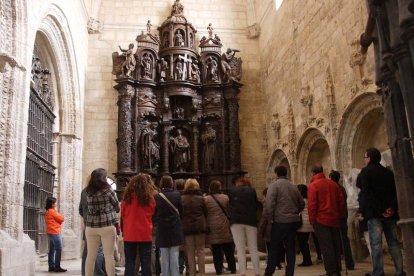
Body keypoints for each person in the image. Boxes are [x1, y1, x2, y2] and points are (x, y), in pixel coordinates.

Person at [356, 148, 405, 276]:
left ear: (370, 158)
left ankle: (378, 272)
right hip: (391, 213)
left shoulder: (366, 172)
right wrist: (391, 208)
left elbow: (366, 192)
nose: (364, 159)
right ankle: (399, 271)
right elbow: (395, 192)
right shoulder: (388, 172)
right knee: (393, 243)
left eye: (365, 157)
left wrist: (380, 210)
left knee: (376, 244)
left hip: (375, 214)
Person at [264, 166, 304, 276]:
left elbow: (269, 203)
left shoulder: (274, 185)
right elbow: (302, 203)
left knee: (274, 247)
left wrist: (271, 218)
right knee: (290, 248)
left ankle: (269, 272)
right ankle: (289, 273)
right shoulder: (293, 186)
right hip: (292, 222)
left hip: (279, 221)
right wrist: (295, 212)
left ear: (276, 173)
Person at [308, 165, 345, 276]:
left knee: (326, 247)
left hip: (321, 220)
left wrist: (312, 219)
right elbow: (341, 202)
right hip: (334, 219)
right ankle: (337, 270)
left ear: (313, 173)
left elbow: (312, 205)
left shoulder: (313, 185)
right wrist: (340, 216)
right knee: (335, 245)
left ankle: (331, 271)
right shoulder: (333, 184)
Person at [85, 168, 120, 276]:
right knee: (109, 256)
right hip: (107, 226)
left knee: (90, 256)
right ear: (103, 178)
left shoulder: (88, 192)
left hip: (91, 227)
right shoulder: (109, 191)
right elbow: (117, 207)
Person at [121, 173, 156, 276]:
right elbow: (152, 213)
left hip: (130, 233)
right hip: (145, 233)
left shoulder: (127, 198)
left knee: (130, 262)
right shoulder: (150, 198)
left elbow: (123, 214)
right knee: (146, 262)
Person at [229, 177, 260, 276]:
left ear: (238, 183)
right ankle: (257, 271)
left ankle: (242, 272)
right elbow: (256, 205)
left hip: (236, 221)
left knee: (240, 248)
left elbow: (231, 204)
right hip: (250, 221)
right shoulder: (252, 191)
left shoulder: (233, 191)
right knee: (253, 247)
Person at [154, 175, 184, 276]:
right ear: (172, 183)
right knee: (175, 255)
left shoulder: (157, 197)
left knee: (164, 257)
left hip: (162, 229)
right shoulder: (177, 195)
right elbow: (181, 212)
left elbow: (154, 214)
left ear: (161, 183)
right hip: (175, 228)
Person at [204, 180, 236, 275]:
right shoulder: (225, 198)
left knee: (216, 251)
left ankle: (218, 270)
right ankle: (233, 269)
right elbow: (230, 210)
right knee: (229, 250)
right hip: (224, 225)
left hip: (212, 226)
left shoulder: (206, 199)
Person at [329, 170, 355, 271]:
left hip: (337, 217)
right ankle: (350, 263)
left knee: (337, 241)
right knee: (345, 240)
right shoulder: (342, 188)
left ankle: (338, 265)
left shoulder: (334, 188)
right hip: (343, 216)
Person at [181, 178, 207, 276]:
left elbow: (180, 214)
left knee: (190, 251)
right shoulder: (201, 198)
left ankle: (192, 273)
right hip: (199, 227)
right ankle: (202, 273)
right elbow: (206, 212)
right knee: (201, 250)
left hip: (187, 227)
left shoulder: (182, 198)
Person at [79, 187, 106, 276]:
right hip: (99, 224)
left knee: (87, 250)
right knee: (98, 249)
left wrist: (86, 219)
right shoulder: (101, 191)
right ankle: (97, 273)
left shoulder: (84, 191)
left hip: (88, 225)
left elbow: (80, 210)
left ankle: (85, 273)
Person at [258, 188, 285, 270]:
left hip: (269, 229)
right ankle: (278, 262)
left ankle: (272, 264)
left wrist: (260, 230)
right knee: (278, 246)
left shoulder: (267, 204)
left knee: (270, 248)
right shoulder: (279, 202)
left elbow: (264, 218)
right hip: (279, 227)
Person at [45, 197, 67, 273]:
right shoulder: (52, 211)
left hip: (50, 232)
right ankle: (57, 267)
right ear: (52, 204)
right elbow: (62, 219)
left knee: (51, 250)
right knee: (58, 249)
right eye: (55, 203)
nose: (56, 204)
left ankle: (51, 267)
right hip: (55, 232)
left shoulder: (47, 211)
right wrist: (59, 221)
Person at [296, 184, 313, 267]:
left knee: (302, 243)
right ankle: (307, 259)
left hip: (303, 224)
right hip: (309, 223)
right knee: (305, 243)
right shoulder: (308, 200)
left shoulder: (301, 201)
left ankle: (307, 260)